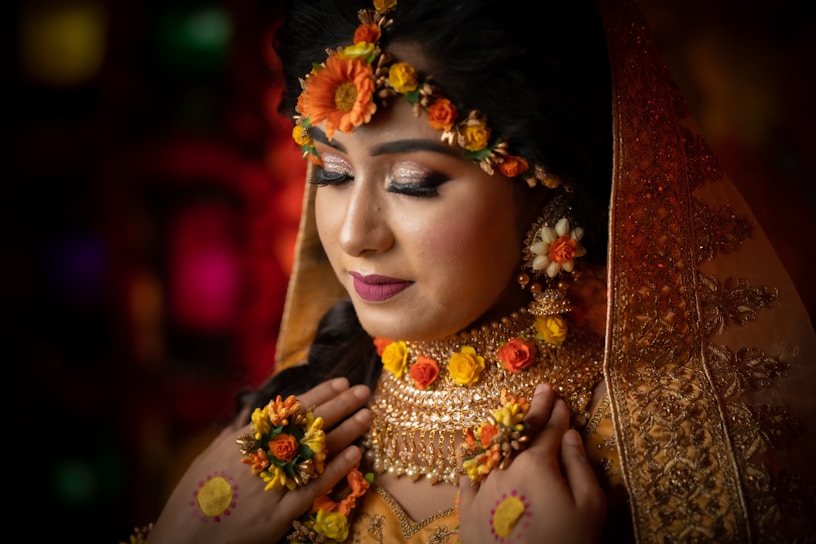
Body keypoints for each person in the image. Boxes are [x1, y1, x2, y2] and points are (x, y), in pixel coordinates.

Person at [135, 0, 816, 542]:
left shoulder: (674, 450)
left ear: (548, 186)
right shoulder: (285, 432)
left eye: (413, 182)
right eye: (334, 173)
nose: (353, 235)